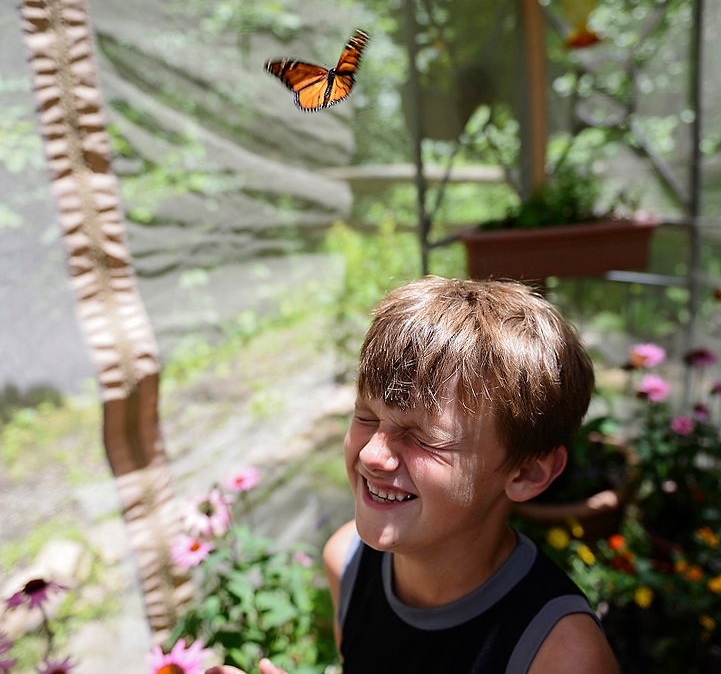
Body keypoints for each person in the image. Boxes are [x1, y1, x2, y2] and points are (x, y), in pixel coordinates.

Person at [207, 276, 620, 674]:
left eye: (422, 438)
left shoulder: (561, 655)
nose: (372, 454)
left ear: (527, 471)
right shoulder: (346, 561)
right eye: (366, 416)